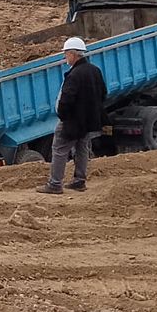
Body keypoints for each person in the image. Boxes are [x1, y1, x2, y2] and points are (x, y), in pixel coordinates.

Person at [38, 37, 106, 195]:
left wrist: (64, 116)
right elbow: (103, 93)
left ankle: (55, 184)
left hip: (72, 121)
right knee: (82, 148)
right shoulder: (95, 70)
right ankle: (79, 181)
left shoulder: (74, 74)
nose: (65, 57)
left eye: (66, 54)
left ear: (73, 54)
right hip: (88, 120)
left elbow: (66, 99)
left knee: (59, 149)